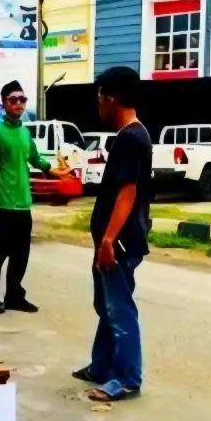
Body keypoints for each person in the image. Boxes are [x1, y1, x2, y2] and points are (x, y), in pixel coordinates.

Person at [73, 66, 153, 402]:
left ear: (113, 98)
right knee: (106, 306)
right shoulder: (131, 135)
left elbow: (128, 193)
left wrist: (107, 241)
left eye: (100, 98)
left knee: (119, 309)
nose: (99, 105)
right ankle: (101, 366)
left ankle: (127, 378)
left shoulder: (131, 138)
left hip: (118, 241)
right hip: (114, 238)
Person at [0, 81, 69, 315]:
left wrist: (52, 170)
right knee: (0, 252)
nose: (19, 104)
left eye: (22, 99)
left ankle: (14, 295)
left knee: (21, 252)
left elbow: (35, 158)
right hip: (3, 202)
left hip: (22, 202)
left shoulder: (25, 133)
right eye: (13, 99)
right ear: (4, 103)